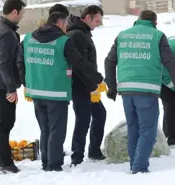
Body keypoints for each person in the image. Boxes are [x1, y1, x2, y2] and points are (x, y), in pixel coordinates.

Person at [16, 12, 104, 171]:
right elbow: (79, 63)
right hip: (56, 94)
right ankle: (54, 165)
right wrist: (97, 79)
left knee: (45, 129)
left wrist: (26, 84)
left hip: (36, 93)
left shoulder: (28, 38)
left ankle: (46, 162)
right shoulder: (63, 42)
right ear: (59, 23)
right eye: (65, 24)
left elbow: (19, 63)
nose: (66, 28)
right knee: (56, 131)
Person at [104, 10, 175, 174]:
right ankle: (139, 168)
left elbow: (109, 61)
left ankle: (135, 165)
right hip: (146, 90)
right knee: (148, 131)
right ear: (154, 23)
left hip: (126, 90)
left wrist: (111, 85)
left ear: (138, 21)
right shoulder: (157, 36)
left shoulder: (123, 35)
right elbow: (170, 62)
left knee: (133, 128)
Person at [0, 0, 26, 173]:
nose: (22, 16)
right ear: (15, 12)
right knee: (6, 124)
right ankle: (5, 162)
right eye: (22, 13)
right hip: (2, 85)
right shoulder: (6, 33)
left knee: (4, 122)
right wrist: (11, 89)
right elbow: (4, 64)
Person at [65, 5, 107, 166]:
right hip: (80, 85)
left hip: (86, 84)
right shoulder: (77, 35)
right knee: (83, 119)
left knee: (98, 114)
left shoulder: (81, 33)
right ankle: (77, 157)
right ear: (87, 17)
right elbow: (80, 64)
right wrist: (93, 85)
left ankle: (93, 151)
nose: (98, 24)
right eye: (97, 20)